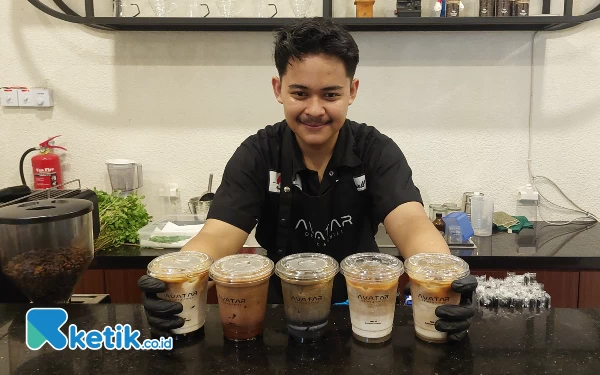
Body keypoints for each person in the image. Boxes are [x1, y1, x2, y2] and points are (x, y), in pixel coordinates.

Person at [138, 17, 477, 342]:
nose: (315, 110)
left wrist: (448, 278)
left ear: (352, 91)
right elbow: (217, 235)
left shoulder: (376, 150)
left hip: (363, 307)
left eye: (330, 95)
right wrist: (176, 280)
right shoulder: (258, 153)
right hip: (275, 315)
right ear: (278, 89)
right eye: (300, 93)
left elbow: (413, 225)